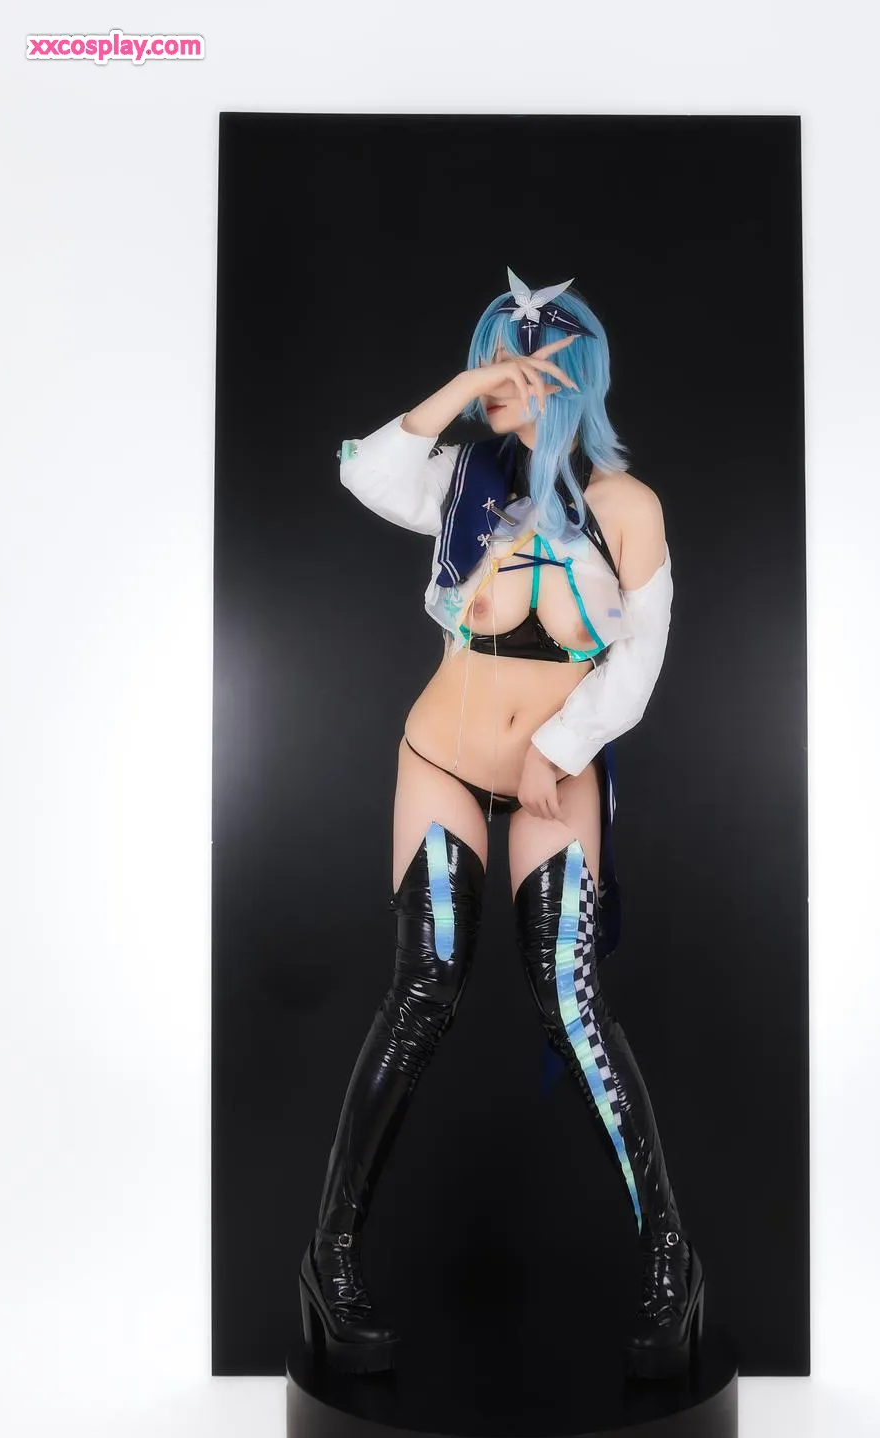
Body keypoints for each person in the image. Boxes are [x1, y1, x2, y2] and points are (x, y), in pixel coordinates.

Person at [298, 270, 704, 1380]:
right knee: (423, 989)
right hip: (440, 759)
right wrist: (461, 386)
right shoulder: (459, 481)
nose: (504, 379)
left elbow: (639, 666)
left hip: (550, 780)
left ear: (576, 373)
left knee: (572, 1004)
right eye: (495, 357)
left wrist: (556, 748)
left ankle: (671, 1263)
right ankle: (330, 1261)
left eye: (524, 360)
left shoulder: (626, 507)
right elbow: (365, 470)